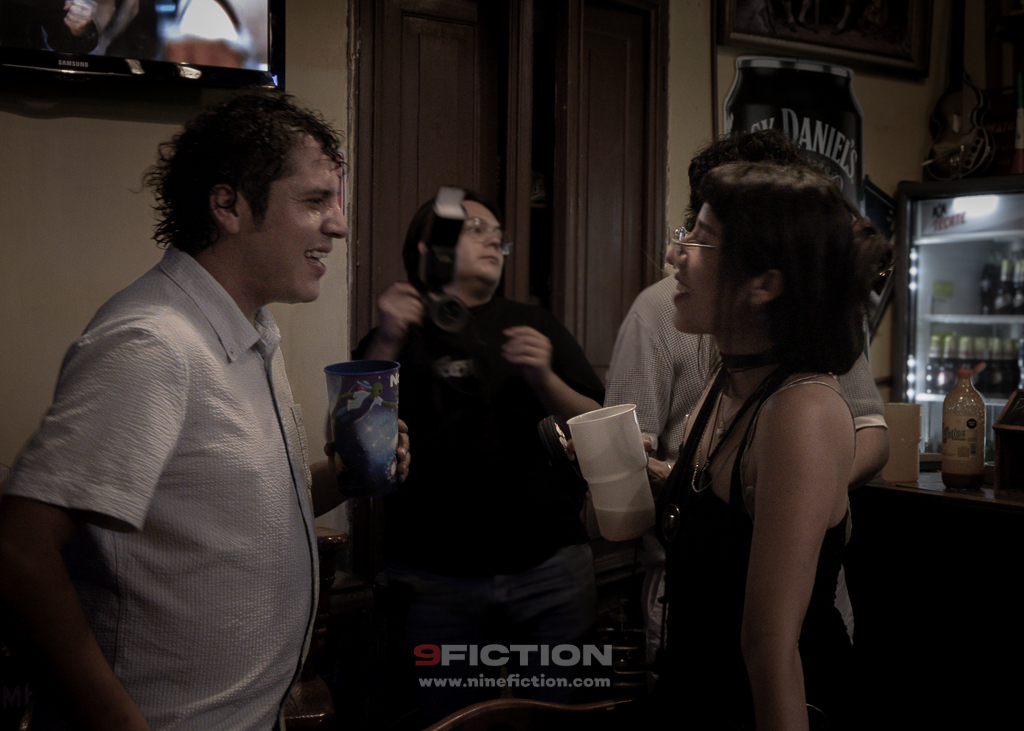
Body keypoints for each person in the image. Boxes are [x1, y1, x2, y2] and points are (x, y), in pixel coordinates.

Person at [0, 91, 409, 731]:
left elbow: (226, 506)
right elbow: (19, 551)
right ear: (228, 206)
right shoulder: (152, 344)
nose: (337, 225)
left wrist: (344, 477)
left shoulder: (250, 331)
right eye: (314, 201)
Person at [604, 129, 889, 683]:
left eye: (703, 239)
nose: (675, 254)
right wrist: (653, 474)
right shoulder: (727, 376)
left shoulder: (800, 408)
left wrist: (792, 489)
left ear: (764, 284)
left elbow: (768, 650)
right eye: (688, 230)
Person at [356, 189, 605, 723]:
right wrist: (389, 338)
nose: (494, 240)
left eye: (499, 235)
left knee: (561, 719)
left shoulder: (533, 323)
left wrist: (545, 378)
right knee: (456, 723)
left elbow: (596, 427)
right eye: (476, 228)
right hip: (434, 578)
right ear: (432, 247)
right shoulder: (393, 333)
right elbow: (358, 445)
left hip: (550, 570)